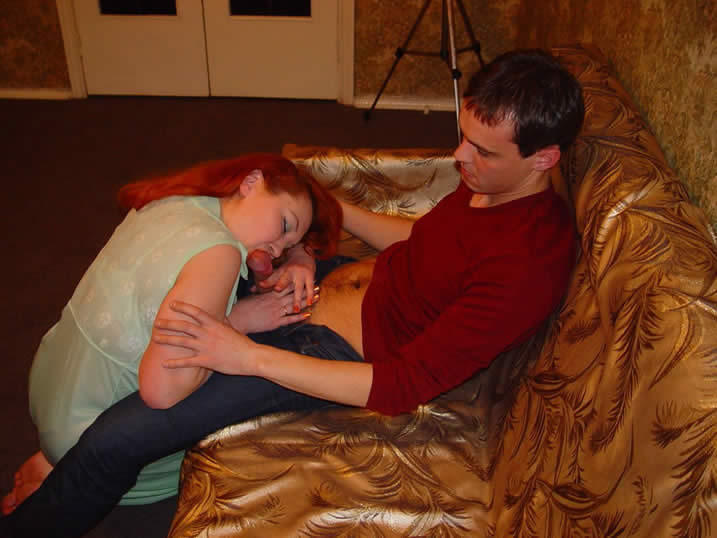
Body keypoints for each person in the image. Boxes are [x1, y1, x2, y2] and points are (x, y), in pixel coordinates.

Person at [0, 49, 584, 537]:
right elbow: (426, 241)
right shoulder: (491, 185)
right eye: (464, 136)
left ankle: (56, 487)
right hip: (323, 286)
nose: (459, 157)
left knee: (117, 440)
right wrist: (312, 234)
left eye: (482, 150)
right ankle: (65, 449)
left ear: (544, 158)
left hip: (327, 351)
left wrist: (247, 356)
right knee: (206, 259)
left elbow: (398, 386)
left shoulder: (528, 265)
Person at [0, 154, 341, 516]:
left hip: (55, 384)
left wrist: (300, 254)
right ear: (251, 181)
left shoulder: (174, 198)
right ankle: (63, 469)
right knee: (239, 413)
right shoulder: (220, 256)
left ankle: (55, 456)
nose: (277, 249)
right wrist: (239, 322)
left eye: (288, 244)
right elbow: (160, 392)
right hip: (88, 437)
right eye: (284, 225)